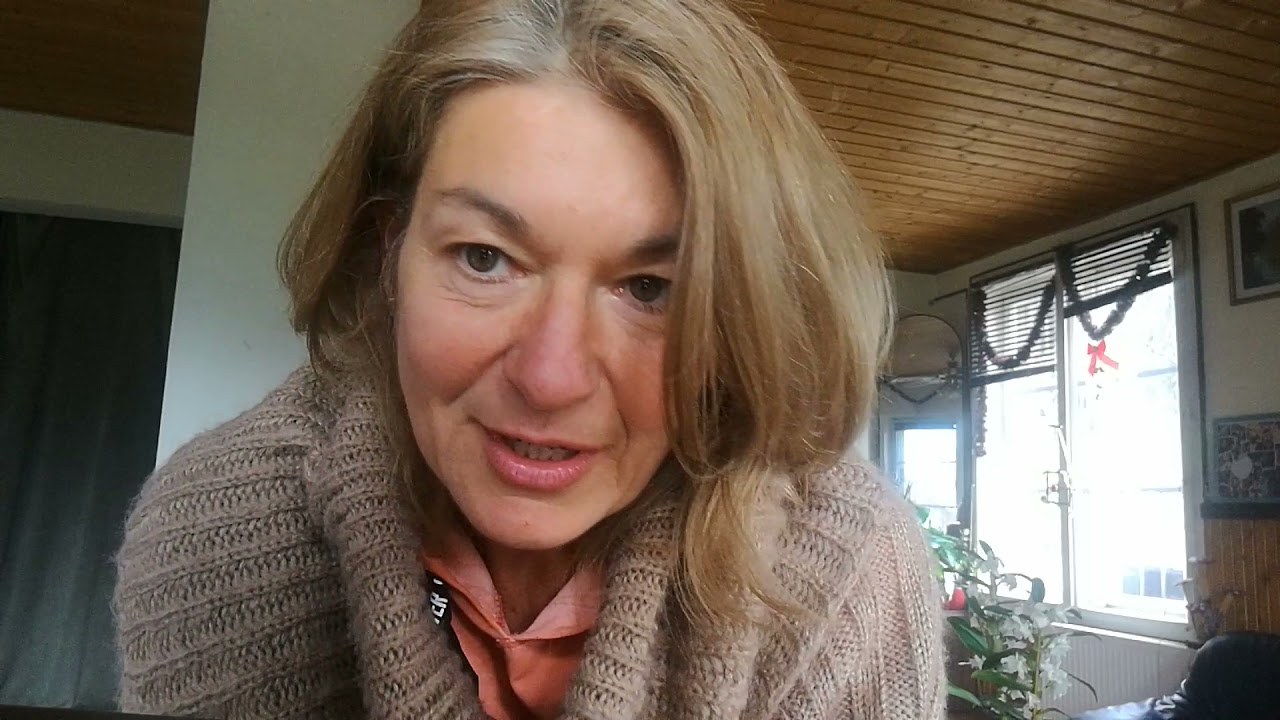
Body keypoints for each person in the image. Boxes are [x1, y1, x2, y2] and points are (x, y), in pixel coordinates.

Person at [113, 1, 946, 718]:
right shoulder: (216, 534)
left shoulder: (846, 573)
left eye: (651, 288)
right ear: (390, 253)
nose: (550, 379)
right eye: (485, 259)